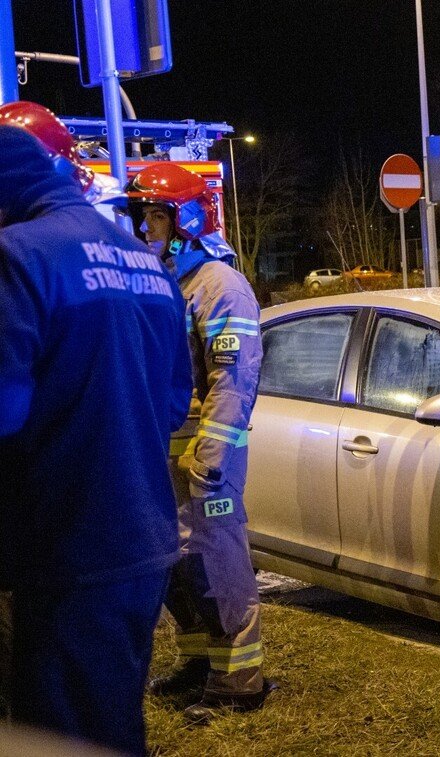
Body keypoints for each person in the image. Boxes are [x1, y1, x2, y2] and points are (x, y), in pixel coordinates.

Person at [0, 125, 192, 754]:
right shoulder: (146, 264)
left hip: (65, 542)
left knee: (55, 732)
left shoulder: (19, 256)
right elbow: (169, 408)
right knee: (110, 723)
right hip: (142, 540)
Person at [123, 163, 271, 724]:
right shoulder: (169, 282)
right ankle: (199, 663)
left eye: (156, 215)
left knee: (218, 563)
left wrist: (211, 456)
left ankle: (241, 680)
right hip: (165, 455)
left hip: (206, 459)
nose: (146, 228)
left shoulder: (220, 286)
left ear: (186, 219)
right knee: (179, 568)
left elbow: (234, 379)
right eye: (144, 215)